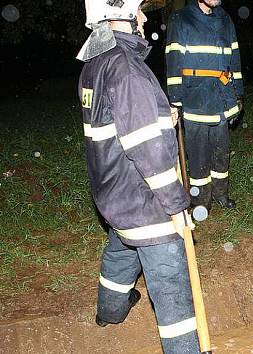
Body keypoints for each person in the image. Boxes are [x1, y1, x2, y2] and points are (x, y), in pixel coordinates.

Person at [77, 1, 200, 352]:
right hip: (143, 196)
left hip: (114, 191)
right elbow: (148, 149)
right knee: (172, 283)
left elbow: (120, 123)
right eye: (140, 10)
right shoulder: (127, 69)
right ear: (121, 15)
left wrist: (163, 119)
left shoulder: (95, 63)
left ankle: (110, 311)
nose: (145, 18)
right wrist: (177, 208)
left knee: (122, 246)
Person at [165, 0, 243, 211]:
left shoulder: (225, 20)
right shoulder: (181, 19)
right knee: (198, 155)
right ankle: (201, 201)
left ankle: (221, 194)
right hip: (195, 99)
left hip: (221, 98)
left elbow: (234, 59)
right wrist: (175, 99)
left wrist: (238, 94)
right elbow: (173, 61)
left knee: (221, 153)